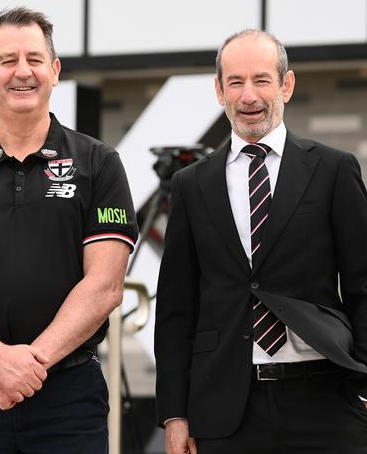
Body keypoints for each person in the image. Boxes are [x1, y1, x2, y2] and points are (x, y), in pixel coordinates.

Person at [0, 7, 138, 453]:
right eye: (8, 60)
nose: (22, 72)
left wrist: (27, 367)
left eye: (34, 59)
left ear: (54, 71)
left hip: (68, 397)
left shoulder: (99, 163)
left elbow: (106, 284)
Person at [154, 29, 367, 454]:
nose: (249, 95)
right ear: (220, 91)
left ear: (286, 85)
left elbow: (364, 284)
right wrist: (175, 414)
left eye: (262, 80)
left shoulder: (333, 170)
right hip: (225, 412)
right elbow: (177, 310)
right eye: (236, 82)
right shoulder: (191, 185)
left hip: (326, 401)